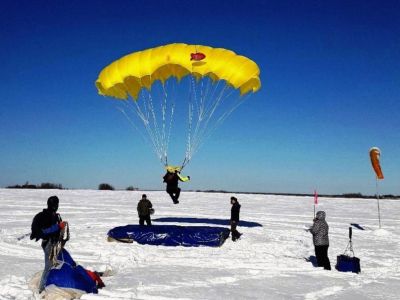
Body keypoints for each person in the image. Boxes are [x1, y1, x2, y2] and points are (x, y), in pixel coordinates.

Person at [30, 196, 67, 293]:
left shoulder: (55, 215)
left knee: (56, 263)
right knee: (49, 265)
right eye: (56, 204)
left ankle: (52, 284)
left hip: (54, 243)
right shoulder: (45, 216)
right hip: (48, 243)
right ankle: (41, 289)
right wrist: (58, 226)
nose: (57, 206)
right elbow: (45, 231)